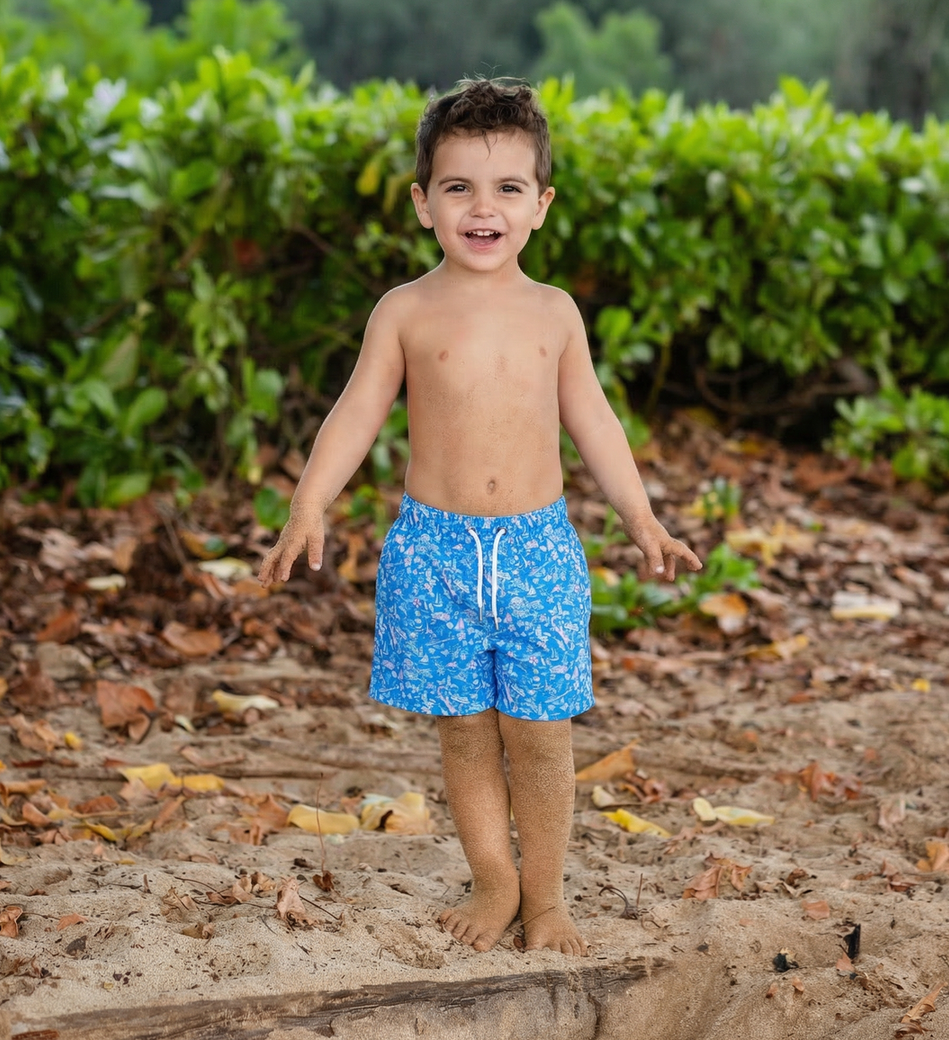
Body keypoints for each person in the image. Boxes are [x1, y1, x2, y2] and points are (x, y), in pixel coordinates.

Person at [258, 79, 701, 956]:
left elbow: (597, 423)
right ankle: (494, 880)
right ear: (424, 203)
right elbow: (353, 414)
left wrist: (643, 518)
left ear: (541, 204)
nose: (482, 207)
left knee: (539, 732)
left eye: (505, 188)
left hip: (537, 549)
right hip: (432, 551)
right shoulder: (406, 311)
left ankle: (547, 898)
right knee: (463, 728)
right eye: (458, 187)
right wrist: (309, 503)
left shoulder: (555, 314)